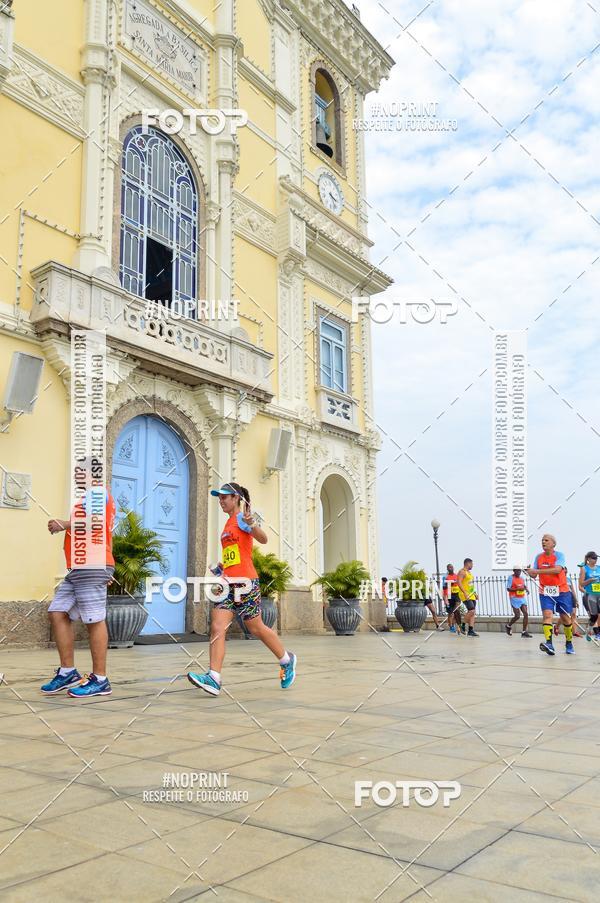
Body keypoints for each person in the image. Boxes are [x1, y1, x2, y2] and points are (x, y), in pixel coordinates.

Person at [187, 482, 296, 696]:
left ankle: (287, 660)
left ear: (236, 498)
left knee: (256, 628)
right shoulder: (228, 523)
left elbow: (263, 539)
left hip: (247, 583)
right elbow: (235, 554)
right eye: (219, 498)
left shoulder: (241, 519)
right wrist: (222, 568)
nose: (221, 501)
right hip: (228, 584)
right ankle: (214, 677)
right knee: (217, 627)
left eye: (225, 497)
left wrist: (252, 524)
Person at [41, 459, 116, 697]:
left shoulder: (97, 493)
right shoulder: (87, 498)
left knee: (94, 620)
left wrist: (64, 524)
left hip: (92, 563)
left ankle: (100, 679)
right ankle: (67, 672)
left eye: (79, 473)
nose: (76, 477)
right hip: (79, 567)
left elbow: (93, 524)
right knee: (57, 612)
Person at [526, 534, 574, 656]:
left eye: (546, 540)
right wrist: (529, 571)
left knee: (565, 618)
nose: (543, 542)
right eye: (542, 540)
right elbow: (534, 575)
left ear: (553, 543)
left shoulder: (559, 555)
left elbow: (557, 570)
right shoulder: (538, 557)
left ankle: (569, 642)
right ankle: (549, 644)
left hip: (562, 591)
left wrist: (537, 571)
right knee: (547, 615)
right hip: (545, 591)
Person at [504, 567, 532, 637]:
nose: (519, 572)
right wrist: (517, 589)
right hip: (514, 598)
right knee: (517, 616)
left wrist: (526, 588)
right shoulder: (511, 578)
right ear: (514, 571)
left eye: (520, 571)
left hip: (522, 598)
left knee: (526, 613)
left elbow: (523, 585)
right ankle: (508, 626)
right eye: (517, 571)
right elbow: (508, 589)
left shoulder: (522, 578)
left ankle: (524, 632)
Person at [579, 551, 600, 642]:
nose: (595, 560)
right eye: (593, 558)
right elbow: (581, 584)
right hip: (590, 594)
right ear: (588, 559)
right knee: (594, 616)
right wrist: (590, 580)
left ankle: (598, 633)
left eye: (596, 558)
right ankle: (590, 629)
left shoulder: (599, 568)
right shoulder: (584, 569)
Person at [457, 558, 478, 636]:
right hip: (465, 594)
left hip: (471, 594)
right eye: (471, 564)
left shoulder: (469, 573)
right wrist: (465, 592)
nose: (472, 565)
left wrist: (475, 593)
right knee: (471, 610)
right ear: (467, 563)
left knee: (473, 613)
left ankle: (471, 630)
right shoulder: (462, 572)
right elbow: (459, 582)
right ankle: (462, 625)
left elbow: (471, 585)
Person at [442, 564, 462, 633]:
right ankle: (451, 626)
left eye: (452, 567)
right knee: (450, 613)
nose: (451, 568)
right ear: (447, 569)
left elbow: (460, 585)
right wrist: (445, 599)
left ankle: (457, 626)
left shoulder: (456, 576)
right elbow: (444, 588)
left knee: (456, 611)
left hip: (456, 595)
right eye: (449, 567)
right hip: (449, 595)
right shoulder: (445, 577)